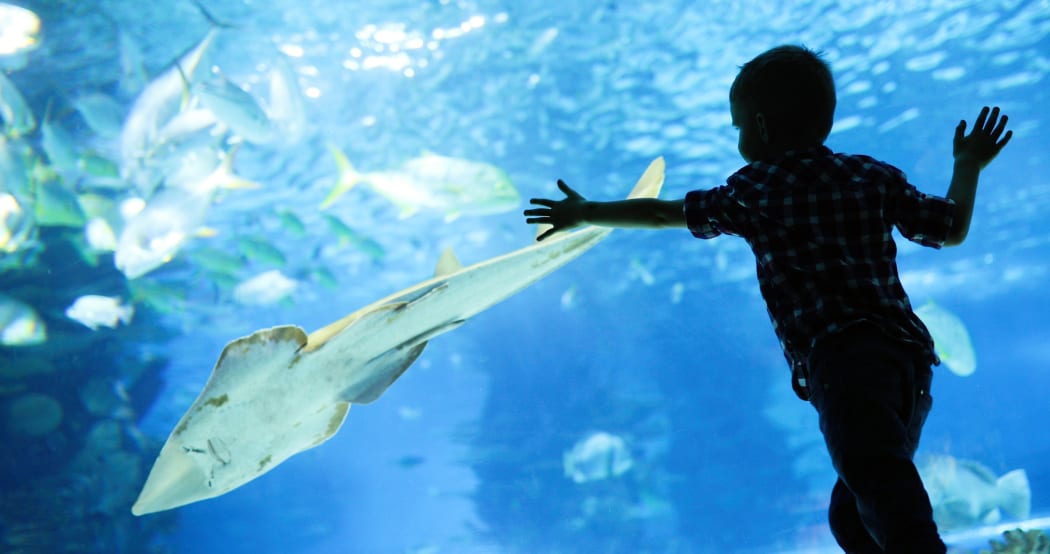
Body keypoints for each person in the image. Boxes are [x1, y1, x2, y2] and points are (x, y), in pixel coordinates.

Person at [523, 44, 1012, 553]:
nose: (738, 137)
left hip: (844, 365)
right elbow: (948, 227)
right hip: (907, 366)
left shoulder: (753, 190)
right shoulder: (871, 175)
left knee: (888, 502)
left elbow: (663, 214)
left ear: (759, 126)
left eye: (737, 126)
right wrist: (968, 163)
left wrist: (587, 212)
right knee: (855, 512)